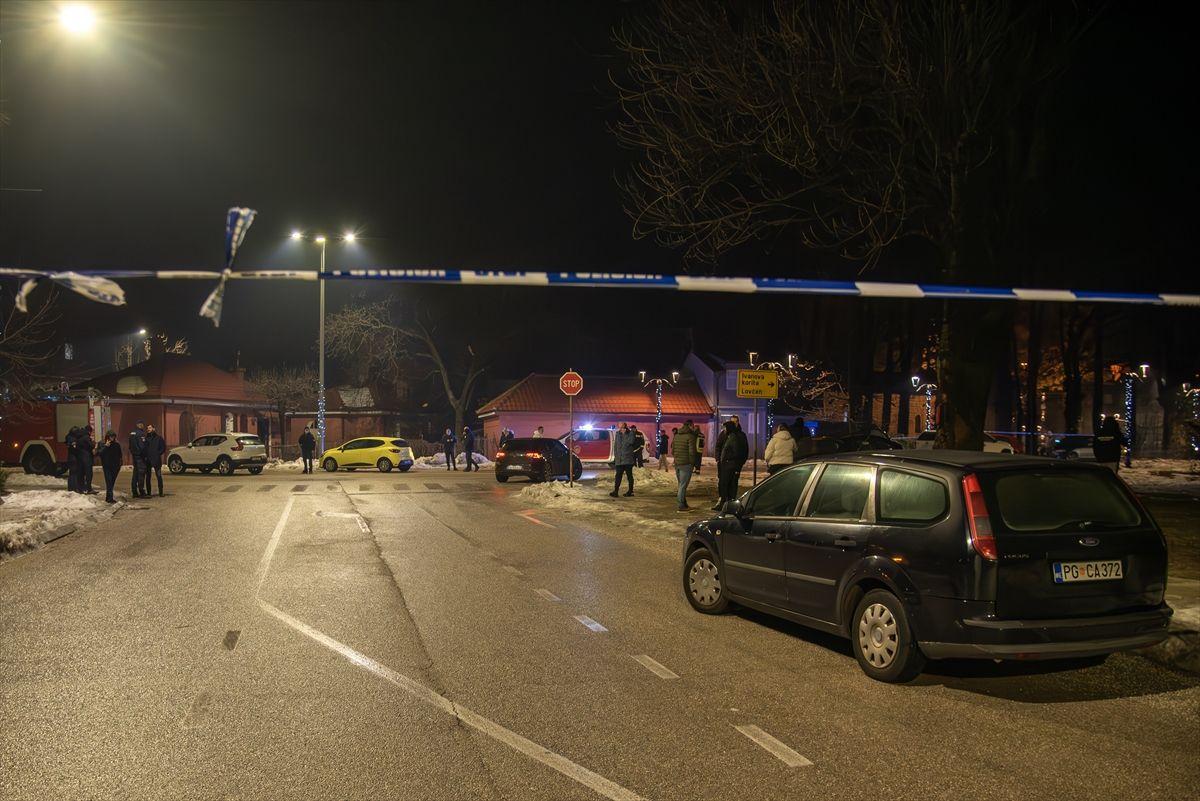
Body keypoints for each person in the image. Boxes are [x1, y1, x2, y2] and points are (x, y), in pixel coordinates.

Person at [716, 419, 749, 510]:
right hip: (726, 464)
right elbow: (719, 446)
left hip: (730, 465)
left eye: (725, 428)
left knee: (728, 484)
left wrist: (729, 459)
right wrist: (719, 459)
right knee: (725, 484)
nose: (724, 429)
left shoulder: (735, 437)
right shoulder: (728, 435)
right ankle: (725, 504)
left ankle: (727, 505)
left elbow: (737, 451)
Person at [671, 421, 698, 511]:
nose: (693, 428)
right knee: (683, 485)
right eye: (693, 426)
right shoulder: (690, 437)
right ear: (690, 426)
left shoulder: (677, 436)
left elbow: (672, 450)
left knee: (681, 485)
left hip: (677, 463)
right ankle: (681, 505)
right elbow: (692, 452)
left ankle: (684, 503)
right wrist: (692, 463)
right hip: (686, 464)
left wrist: (676, 459)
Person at [610, 422, 637, 497]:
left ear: (625, 427)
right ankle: (615, 491)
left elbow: (630, 442)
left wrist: (625, 434)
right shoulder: (618, 434)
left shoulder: (630, 433)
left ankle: (630, 491)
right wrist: (616, 456)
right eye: (619, 427)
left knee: (629, 476)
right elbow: (616, 446)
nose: (620, 428)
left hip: (628, 459)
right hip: (619, 459)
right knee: (618, 476)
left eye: (621, 426)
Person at [98, 431, 123, 503]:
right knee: (109, 482)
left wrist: (120, 464)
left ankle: (108, 497)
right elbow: (100, 454)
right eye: (111, 436)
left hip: (115, 466)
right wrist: (106, 446)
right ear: (107, 436)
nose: (112, 438)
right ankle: (110, 498)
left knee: (112, 482)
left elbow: (120, 455)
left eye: (113, 436)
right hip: (107, 466)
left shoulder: (116, 445)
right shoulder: (102, 443)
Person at [142, 423, 166, 497]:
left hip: (156, 460)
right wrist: (145, 456)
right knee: (148, 477)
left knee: (158, 476)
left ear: (153, 429)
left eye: (150, 428)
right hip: (148, 460)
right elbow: (144, 448)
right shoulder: (146, 438)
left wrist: (158, 453)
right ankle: (149, 493)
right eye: (147, 428)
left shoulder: (159, 438)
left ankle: (161, 492)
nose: (148, 429)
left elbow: (163, 447)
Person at [129, 420, 147, 498]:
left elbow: (130, 446)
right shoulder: (141, 434)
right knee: (141, 474)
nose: (143, 426)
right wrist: (144, 455)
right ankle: (141, 491)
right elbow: (142, 446)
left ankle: (134, 491)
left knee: (135, 474)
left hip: (134, 456)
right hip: (140, 457)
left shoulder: (131, 433)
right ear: (140, 425)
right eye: (142, 424)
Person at [76, 425, 96, 494]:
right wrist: (94, 443)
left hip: (80, 458)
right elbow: (91, 445)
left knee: (81, 474)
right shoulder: (86, 437)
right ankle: (89, 489)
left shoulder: (79, 436)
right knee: (88, 474)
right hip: (87, 458)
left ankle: (80, 488)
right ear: (89, 431)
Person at [65, 426, 81, 493]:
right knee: (74, 473)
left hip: (70, 458)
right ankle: (74, 487)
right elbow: (74, 449)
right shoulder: (73, 439)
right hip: (74, 458)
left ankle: (71, 487)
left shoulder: (68, 437)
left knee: (71, 473)